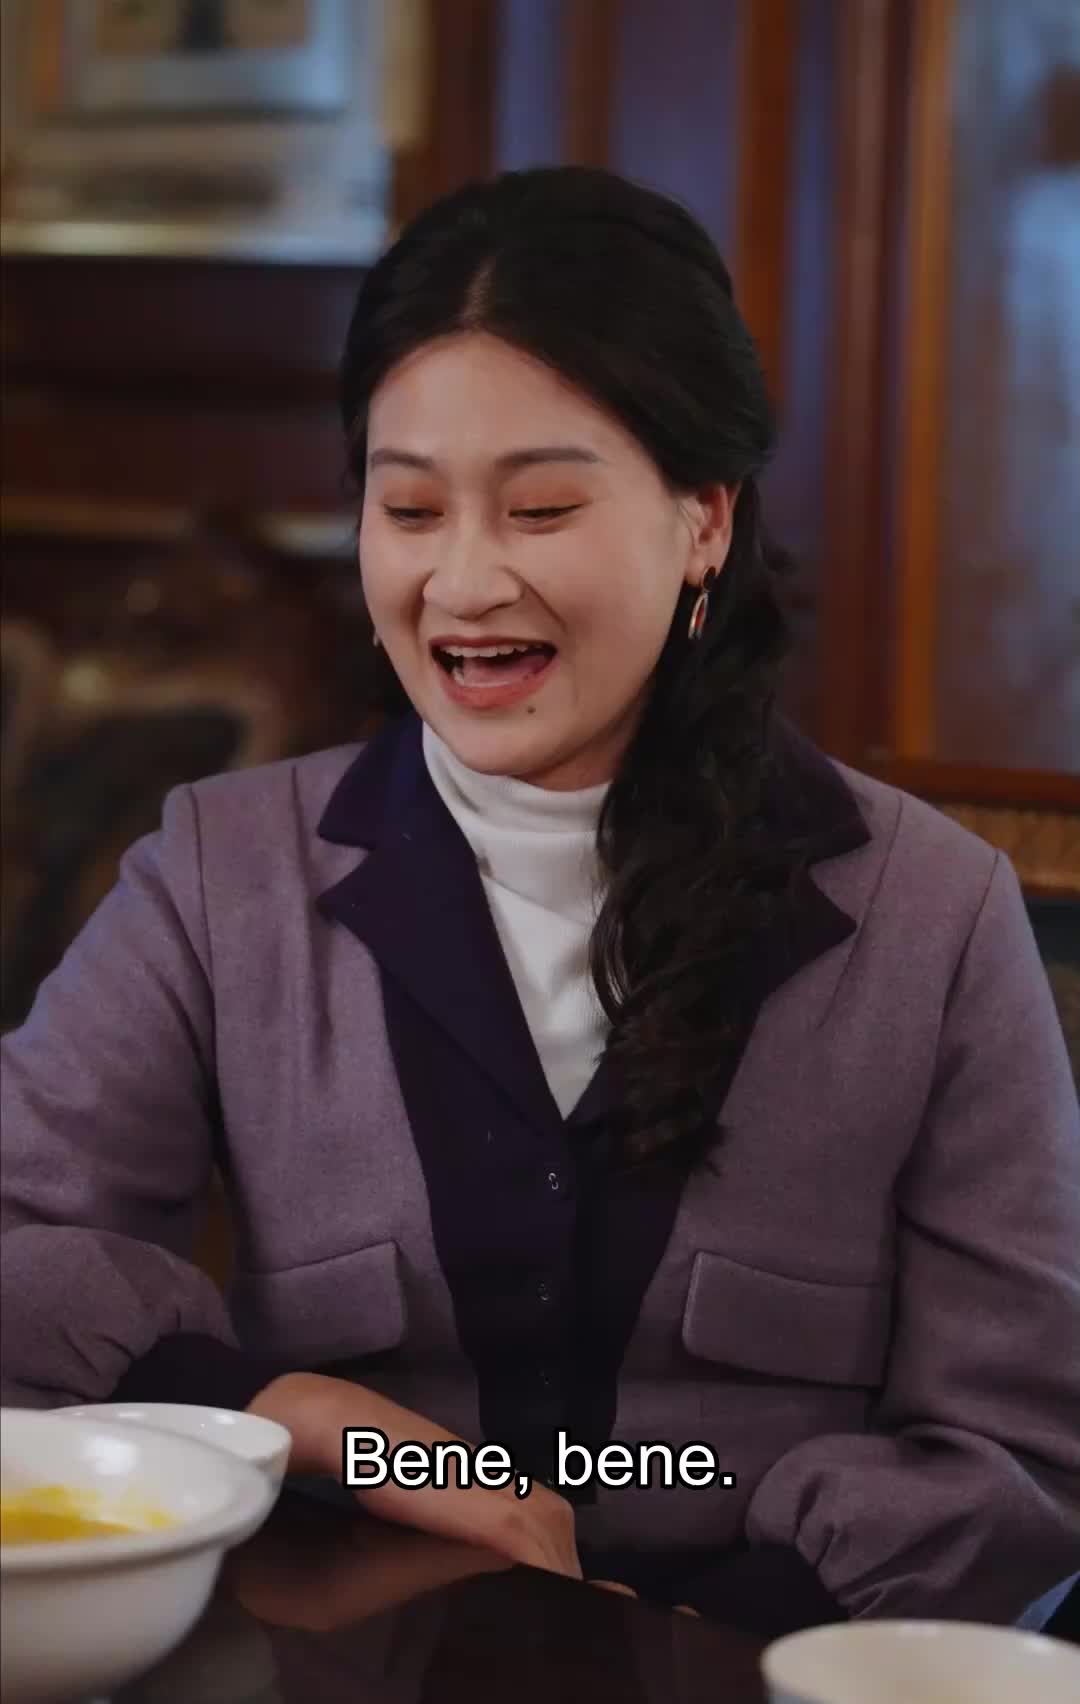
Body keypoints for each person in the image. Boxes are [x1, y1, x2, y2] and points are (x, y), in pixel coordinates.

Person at [2, 167, 1078, 1629]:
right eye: (409, 508)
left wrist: (688, 1664)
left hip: (775, 1698)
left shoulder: (931, 916)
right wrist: (308, 1420)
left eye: (542, 508)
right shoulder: (220, 876)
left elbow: (1017, 1453)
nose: (462, 583)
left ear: (704, 519)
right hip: (343, 1698)